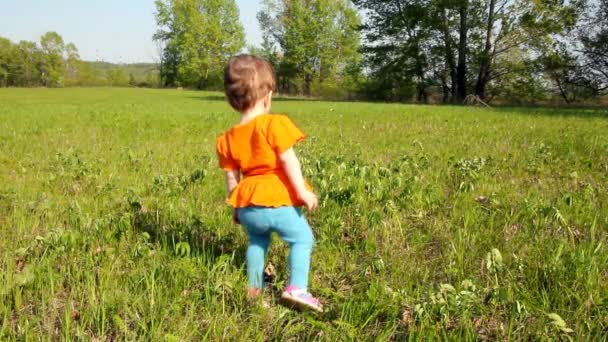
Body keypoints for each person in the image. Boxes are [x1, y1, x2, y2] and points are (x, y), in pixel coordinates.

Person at [216, 54, 323, 312]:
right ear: (268, 97)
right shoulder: (274, 124)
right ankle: (297, 289)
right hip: (278, 199)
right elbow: (289, 162)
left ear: (233, 101)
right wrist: (303, 192)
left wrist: (237, 209)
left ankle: (255, 290)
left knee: (257, 241)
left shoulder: (226, 139)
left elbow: (232, 178)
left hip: (248, 205)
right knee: (302, 239)